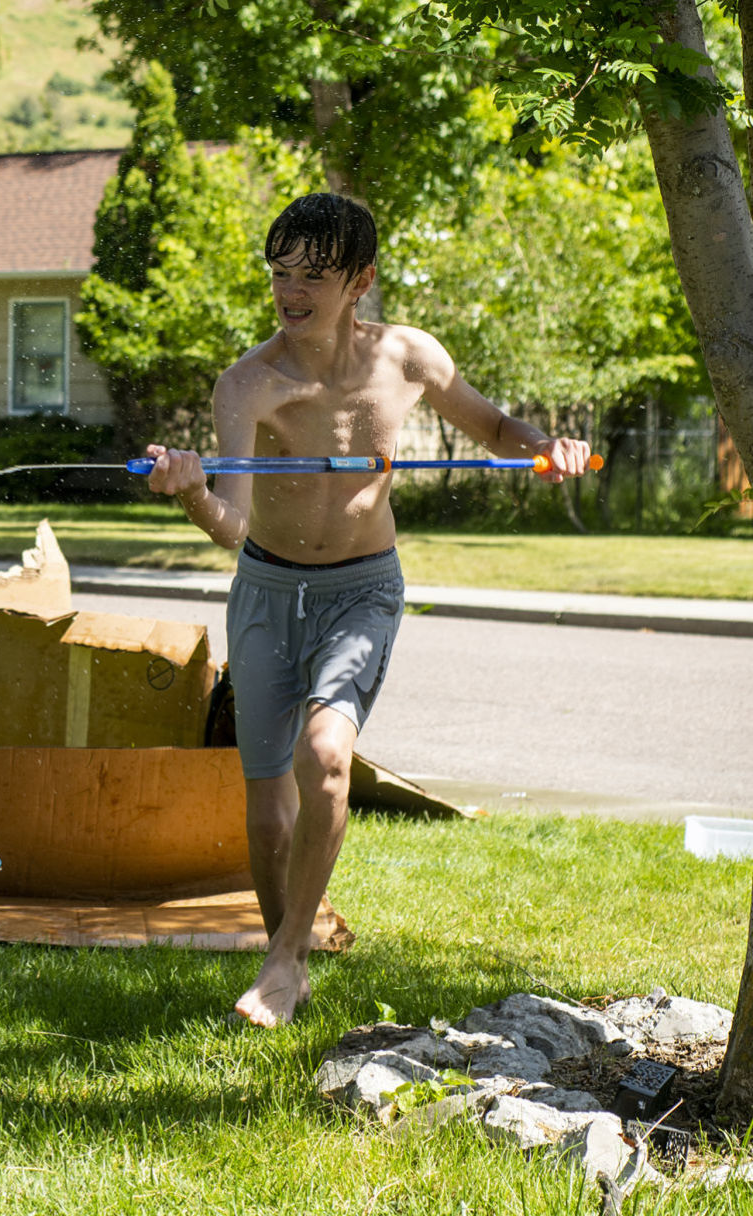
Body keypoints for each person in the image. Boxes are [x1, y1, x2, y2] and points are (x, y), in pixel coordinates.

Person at [144, 193, 592, 1029]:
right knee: (267, 803)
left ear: (361, 281)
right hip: (266, 590)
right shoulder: (248, 384)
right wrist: (195, 492)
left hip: (362, 588)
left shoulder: (407, 357)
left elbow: (492, 423)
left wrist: (544, 446)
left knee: (326, 755)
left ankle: (284, 962)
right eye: (281, 273)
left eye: (313, 275)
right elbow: (233, 524)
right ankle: (286, 950)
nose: (291, 291)